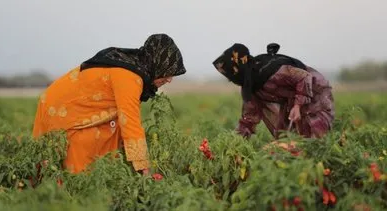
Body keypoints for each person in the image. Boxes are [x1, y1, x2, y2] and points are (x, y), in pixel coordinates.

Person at [32, 34, 187, 174]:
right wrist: (144, 168)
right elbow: (130, 122)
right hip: (62, 109)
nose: (169, 79)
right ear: (155, 63)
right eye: (167, 71)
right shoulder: (129, 78)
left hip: (72, 107)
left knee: (109, 140)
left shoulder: (133, 70)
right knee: (78, 168)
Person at [212, 43, 334, 140]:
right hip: (292, 99)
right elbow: (248, 118)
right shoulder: (250, 85)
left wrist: (297, 106)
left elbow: (304, 77)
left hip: (313, 91)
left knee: (312, 135)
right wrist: (235, 143)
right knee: (286, 136)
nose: (231, 80)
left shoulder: (271, 71)